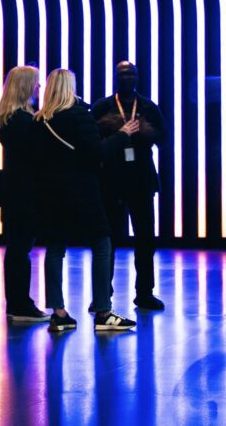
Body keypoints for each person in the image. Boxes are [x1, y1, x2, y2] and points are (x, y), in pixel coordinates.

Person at [31, 68, 133, 334]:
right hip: (82, 191)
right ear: (70, 87)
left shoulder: (40, 121)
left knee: (55, 249)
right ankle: (103, 310)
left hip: (51, 194)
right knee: (102, 243)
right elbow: (96, 153)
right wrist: (122, 135)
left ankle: (59, 313)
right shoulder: (80, 116)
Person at [91, 59, 165, 312]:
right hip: (111, 182)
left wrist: (145, 131)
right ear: (115, 77)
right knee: (107, 241)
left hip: (142, 182)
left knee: (145, 240)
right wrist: (112, 130)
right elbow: (91, 142)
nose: (127, 78)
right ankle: (103, 296)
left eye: (131, 74)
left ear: (138, 77)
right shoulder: (102, 107)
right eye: (123, 74)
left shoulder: (147, 106)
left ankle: (144, 293)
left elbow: (164, 138)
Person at [0, 65, 46, 323]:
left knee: (16, 248)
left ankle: (17, 303)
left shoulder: (7, 117)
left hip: (14, 190)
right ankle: (20, 304)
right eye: (36, 83)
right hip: (24, 192)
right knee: (20, 249)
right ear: (26, 86)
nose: (39, 88)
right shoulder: (24, 120)